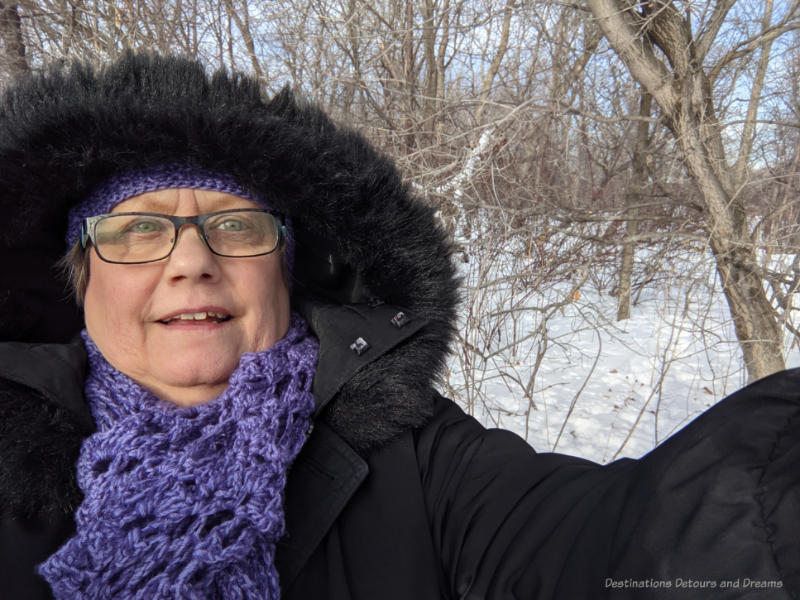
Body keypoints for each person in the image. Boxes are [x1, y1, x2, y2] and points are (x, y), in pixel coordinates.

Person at [0, 51, 797, 600]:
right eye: (135, 231)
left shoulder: (416, 463)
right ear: (79, 278)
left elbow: (616, 542)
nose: (190, 262)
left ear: (286, 269)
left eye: (237, 226)